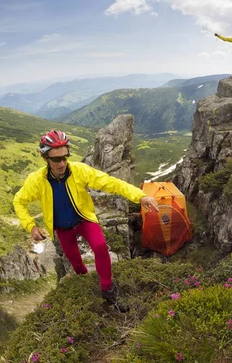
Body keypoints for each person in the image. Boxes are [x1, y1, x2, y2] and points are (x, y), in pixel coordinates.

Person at [13, 130, 159, 311]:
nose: (62, 163)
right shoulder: (36, 181)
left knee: (100, 247)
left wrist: (140, 197)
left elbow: (111, 182)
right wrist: (31, 226)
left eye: (65, 157)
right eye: (56, 159)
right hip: (62, 229)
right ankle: (83, 281)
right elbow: (19, 201)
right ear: (45, 159)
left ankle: (107, 289)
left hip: (84, 220)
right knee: (76, 263)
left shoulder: (79, 171)